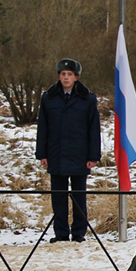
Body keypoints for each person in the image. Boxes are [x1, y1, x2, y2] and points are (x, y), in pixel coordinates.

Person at [36, 58, 102, 243]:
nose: (66, 78)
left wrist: (93, 156)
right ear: (58, 76)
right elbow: (43, 127)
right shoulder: (49, 97)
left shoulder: (87, 98)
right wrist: (42, 154)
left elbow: (93, 129)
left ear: (76, 77)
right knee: (58, 196)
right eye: (63, 74)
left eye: (70, 75)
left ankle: (79, 232)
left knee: (79, 196)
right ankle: (61, 233)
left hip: (80, 155)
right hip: (56, 154)